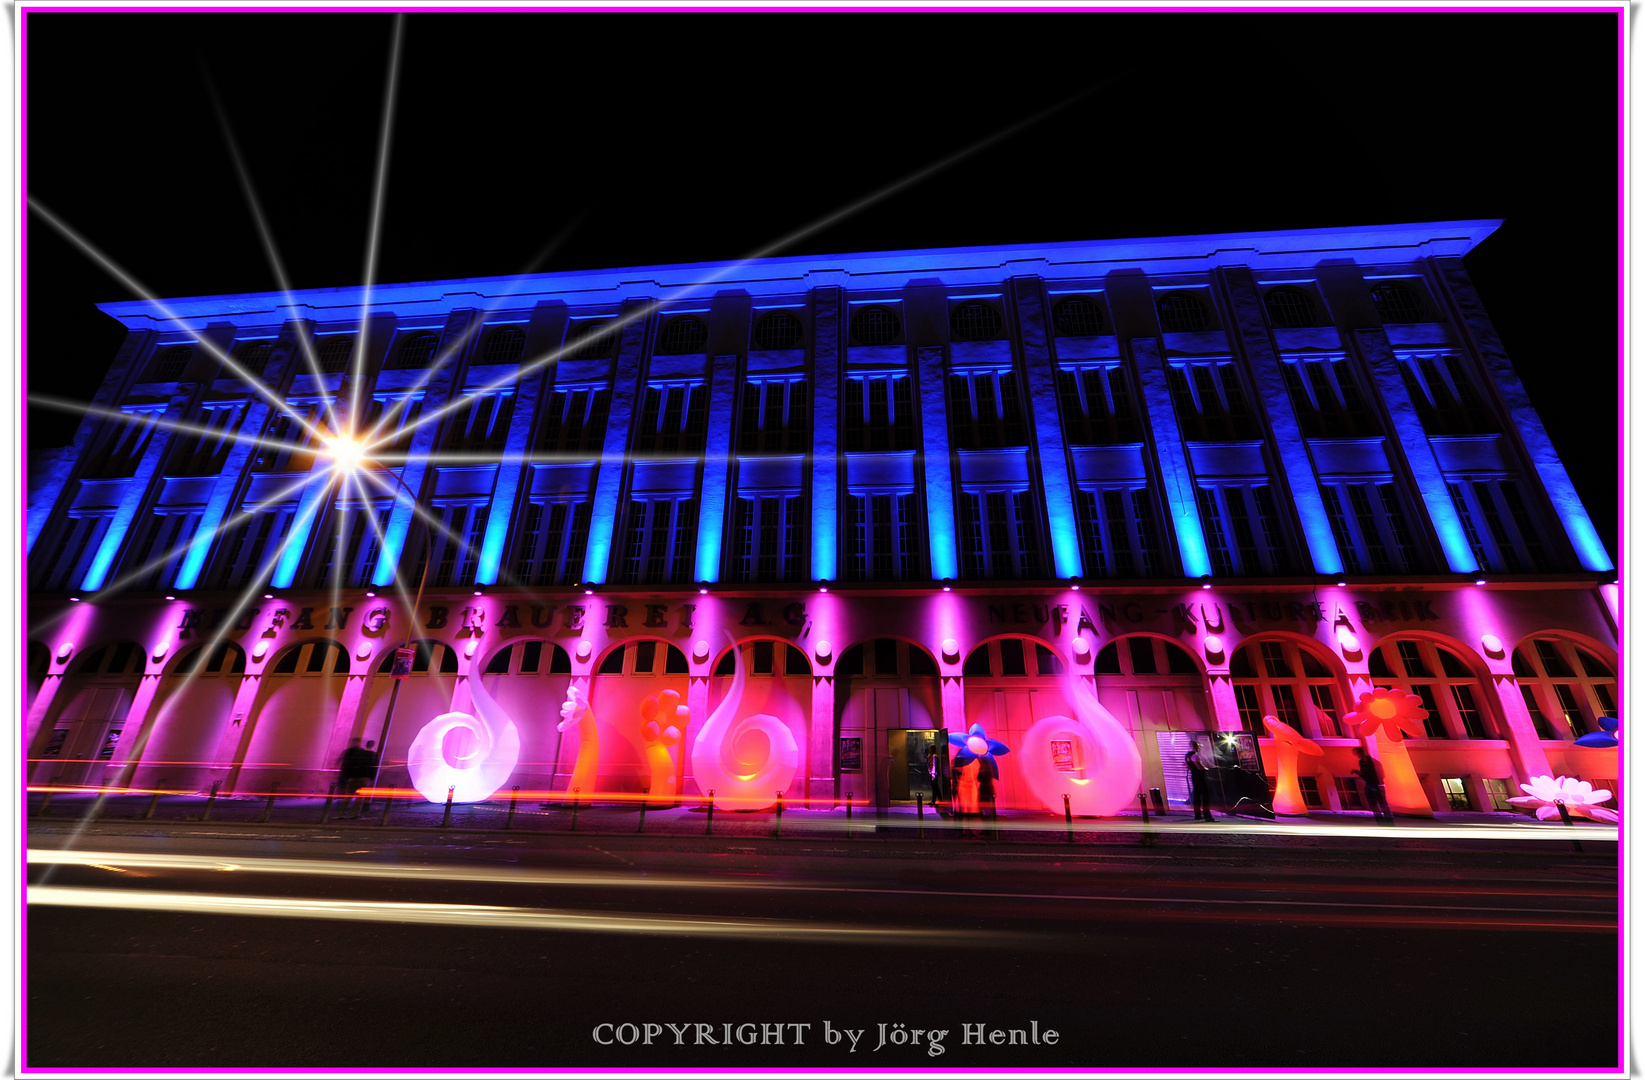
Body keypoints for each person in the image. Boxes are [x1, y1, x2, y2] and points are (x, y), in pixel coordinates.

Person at [338, 738, 377, 819]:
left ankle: (342, 814)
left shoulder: (357, 754)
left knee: (348, 797)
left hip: (353, 777)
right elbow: (373, 768)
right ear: (373, 746)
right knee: (359, 798)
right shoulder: (373, 755)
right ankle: (354, 814)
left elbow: (349, 765)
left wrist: (347, 776)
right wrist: (371, 778)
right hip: (364, 778)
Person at [1358, 749, 1392, 822]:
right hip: (1371, 784)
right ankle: (1383, 821)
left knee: (1381, 803)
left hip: (1376, 784)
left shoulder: (1373, 762)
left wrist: (1378, 783)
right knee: (1375, 804)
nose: (1358, 755)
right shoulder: (1362, 762)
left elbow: (1379, 774)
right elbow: (1365, 773)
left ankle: (1388, 821)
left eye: (1358, 753)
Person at [1187, 745, 1214, 821]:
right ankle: (1207, 816)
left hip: (1194, 777)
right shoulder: (1195, 756)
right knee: (1205, 796)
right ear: (1196, 747)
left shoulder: (1187, 756)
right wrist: (1206, 769)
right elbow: (1199, 766)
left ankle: (1197, 815)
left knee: (1197, 796)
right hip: (1200, 777)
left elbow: (1187, 766)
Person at [976, 753, 999, 840]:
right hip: (988, 791)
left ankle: (987, 829)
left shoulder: (983, 770)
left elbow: (979, 778)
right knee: (988, 812)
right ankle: (989, 829)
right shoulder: (989, 770)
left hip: (984, 791)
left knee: (985, 812)